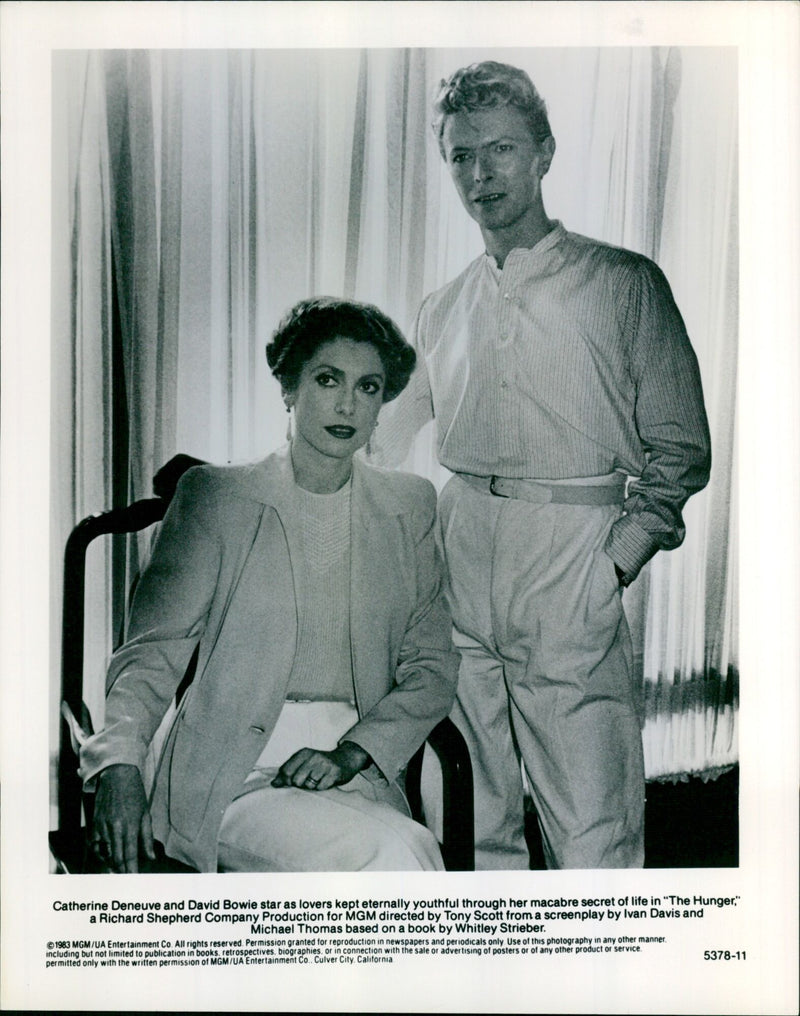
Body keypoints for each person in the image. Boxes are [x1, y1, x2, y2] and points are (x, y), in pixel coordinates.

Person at [374, 61, 711, 869]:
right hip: (462, 556)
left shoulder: (622, 283)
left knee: (592, 825)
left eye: (501, 149)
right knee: (471, 811)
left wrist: (612, 564)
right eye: (461, 155)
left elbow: (681, 451)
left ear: (544, 153)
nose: (480, 173)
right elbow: (381, 438)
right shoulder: (443, 306)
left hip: (570, 557)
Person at [79, 297, 459, 873]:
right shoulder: (216, 497)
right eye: (327, 379)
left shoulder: (410, 506)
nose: (347, 404)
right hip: (230, 778)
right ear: (289, 386)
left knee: (408, 853)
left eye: (369, 387)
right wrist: (119, 766)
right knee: (397, 859)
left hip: (351, 773)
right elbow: (150, 656)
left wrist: (353, 752)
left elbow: (432, 668)